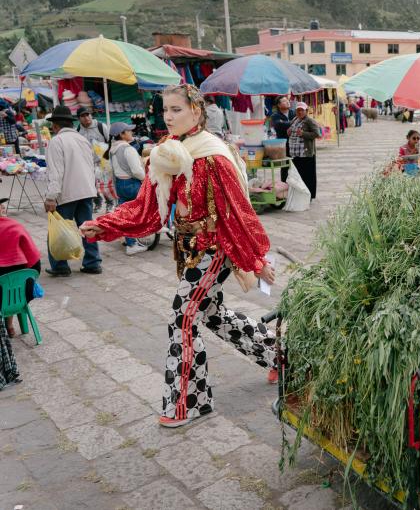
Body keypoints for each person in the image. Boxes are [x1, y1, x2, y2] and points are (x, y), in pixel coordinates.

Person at [79, 84, 278, 428]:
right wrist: (105, 225)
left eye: (176, 110)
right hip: (187, 250)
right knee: (212, 314)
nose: (168, 117)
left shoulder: (213, 156)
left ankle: (190, 402)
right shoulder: (167, 153)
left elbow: (238, 212)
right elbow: (146, 209)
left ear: (196, 112)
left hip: (216, 249)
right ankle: (279, 355)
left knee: (182, 317)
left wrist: (256, 260)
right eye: (165, 110)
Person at [44, 105, 102, 277]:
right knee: (88, 227)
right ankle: (92, 263)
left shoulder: (57, 141)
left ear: (55, 126)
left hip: (67, 193)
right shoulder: (82, 139)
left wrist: (50, 197)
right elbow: (92, 165)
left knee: (59, 230)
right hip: (86, 190)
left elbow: (56, 173)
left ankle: (60, 266)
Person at [1, 197, 41, 343]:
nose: (3, 207)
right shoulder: (15, 227)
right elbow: (35, 262)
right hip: (21, 296)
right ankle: (10, 324)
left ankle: (8, 324)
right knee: (11, 281)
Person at [107, 122, 147, 256]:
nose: (131, 133)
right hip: (132, 184)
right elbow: (137, 171)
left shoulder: (113, 149)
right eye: (128, 131)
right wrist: (146, 180)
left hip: (120, 184)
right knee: (148, 206)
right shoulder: (127, 149)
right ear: (121, 134)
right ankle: (150, 230)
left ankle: (129, 241)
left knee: (125, 214)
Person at [287, 101, 320, 199]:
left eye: (302, 110)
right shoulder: (294, 119)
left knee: (308, 176)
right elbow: (292, 131)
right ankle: (300, 195)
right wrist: (288, 132)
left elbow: (317, 134)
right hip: (295, 153)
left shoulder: (310, 121)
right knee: (298, 175)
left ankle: (309, 195)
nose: (300, 112)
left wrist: (303, 134)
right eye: (298, 110)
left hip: (305, 153)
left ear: (306, 111)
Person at [270, 96, 295, 181]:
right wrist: (292, 122)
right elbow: (278, 125)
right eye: (284, 101)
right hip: (284, 145)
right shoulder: (275, 116)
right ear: (279, 105)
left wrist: (285, 123)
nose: (287, 102)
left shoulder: (293, 113)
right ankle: (284, 184)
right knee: (285, 166)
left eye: (287, 100)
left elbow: (299, 122)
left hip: (295, 143)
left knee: (297, 166)